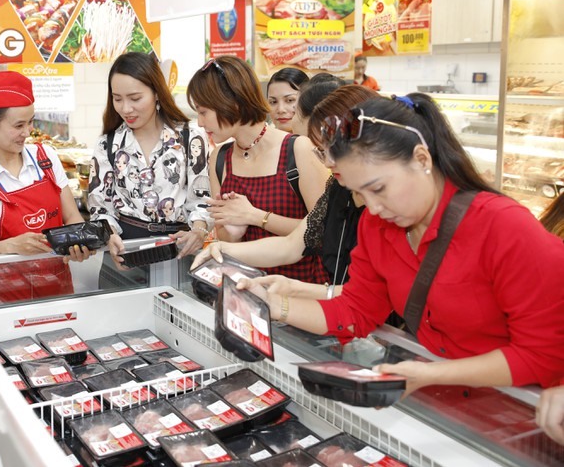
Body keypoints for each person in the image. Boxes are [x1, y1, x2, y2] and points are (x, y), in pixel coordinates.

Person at [236, 92, 564, 394]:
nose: (373, 207)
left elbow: (543, 355)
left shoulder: (503, 226)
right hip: (446, 405)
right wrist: (274, 304)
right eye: (358, 192)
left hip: (522, 408)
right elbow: (354, 310)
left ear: (421, 158)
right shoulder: (377, 227)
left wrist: (432, 375)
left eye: (378, 188)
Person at [193, 85, 381, 296]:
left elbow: (368, 297)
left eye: (333, 150)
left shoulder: (298, 151)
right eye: (322, 152)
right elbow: (292, 245)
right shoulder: (338, 189)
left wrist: (255, 217)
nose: (328, 162)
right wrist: (223, 248)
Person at [187, 55, 329, 283]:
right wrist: (232, 233)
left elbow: (323, 232)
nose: (201, 123)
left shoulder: (298, 149)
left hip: (301, 293)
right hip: (244, 294)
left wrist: (255, 216)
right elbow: (224, 236)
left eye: (203, 112)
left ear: (230, 102)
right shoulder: (219, 158)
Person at [87, 52, 211, 265]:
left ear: (156, 93)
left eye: (135, 98)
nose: (126, 108)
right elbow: (100, 207)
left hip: (179, 247)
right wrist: (109, 236)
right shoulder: (108, 144)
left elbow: (202, 198)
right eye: (117, 99)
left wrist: (199, 231)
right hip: (125, 250)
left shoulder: (190, 138)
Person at [0, 71, 90, 261]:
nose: (27, 132)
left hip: (59, 281)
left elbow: (72, 216)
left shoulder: (45, 157)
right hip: (2, 285)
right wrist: (9, 246)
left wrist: (78, 242)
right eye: (18, 126)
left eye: (31, 122)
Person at [266, 68, 309, 133]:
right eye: (273, 102)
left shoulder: (323, 140)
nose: (281, 110)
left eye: (290, 100)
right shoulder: (259, 140)